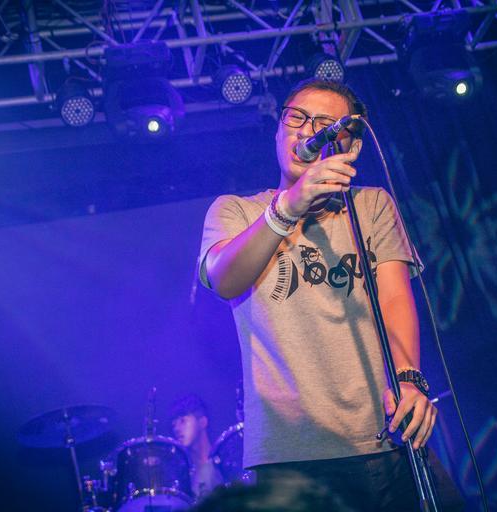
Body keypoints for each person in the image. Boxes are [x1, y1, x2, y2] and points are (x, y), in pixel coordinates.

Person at [198, 78, 463, 510]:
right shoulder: (236, 211)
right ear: (278, 131)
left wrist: (409, 380)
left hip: (384, 436)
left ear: (350, 146)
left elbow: (396, 299)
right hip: (292, 453)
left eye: (325, 125)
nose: (307, 131)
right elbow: (225, 278)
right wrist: (289, 206)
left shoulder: (371, 205)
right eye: (297, 118)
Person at [169, 394, 225, 499]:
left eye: (183, 421)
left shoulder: (223, 464)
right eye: (173, 425)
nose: (176, 429)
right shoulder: (182, 477)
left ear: (203, 422)